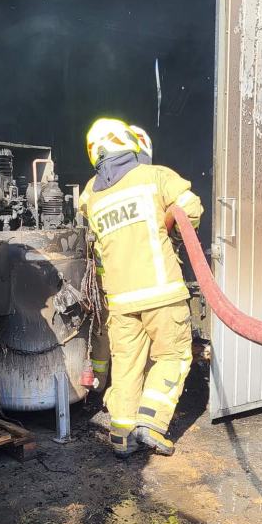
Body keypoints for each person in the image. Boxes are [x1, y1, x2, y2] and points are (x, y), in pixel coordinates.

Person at [79, 117, 203, 458]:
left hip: (120, 300)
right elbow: (191, 210)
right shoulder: (155, 176)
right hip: (161, 292)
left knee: (127, 367)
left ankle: (121, 435)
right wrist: (169, 227)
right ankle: (151, 422)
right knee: (173, 355)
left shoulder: (92, 195)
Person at [84, 125, 154, 393]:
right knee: (137, 340)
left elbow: (84, 207)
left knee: (107, 334)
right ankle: (139, 392)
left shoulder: (97, 187)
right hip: (135, 284)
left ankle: (100, 388)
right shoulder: (149, 182)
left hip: (111, 285)